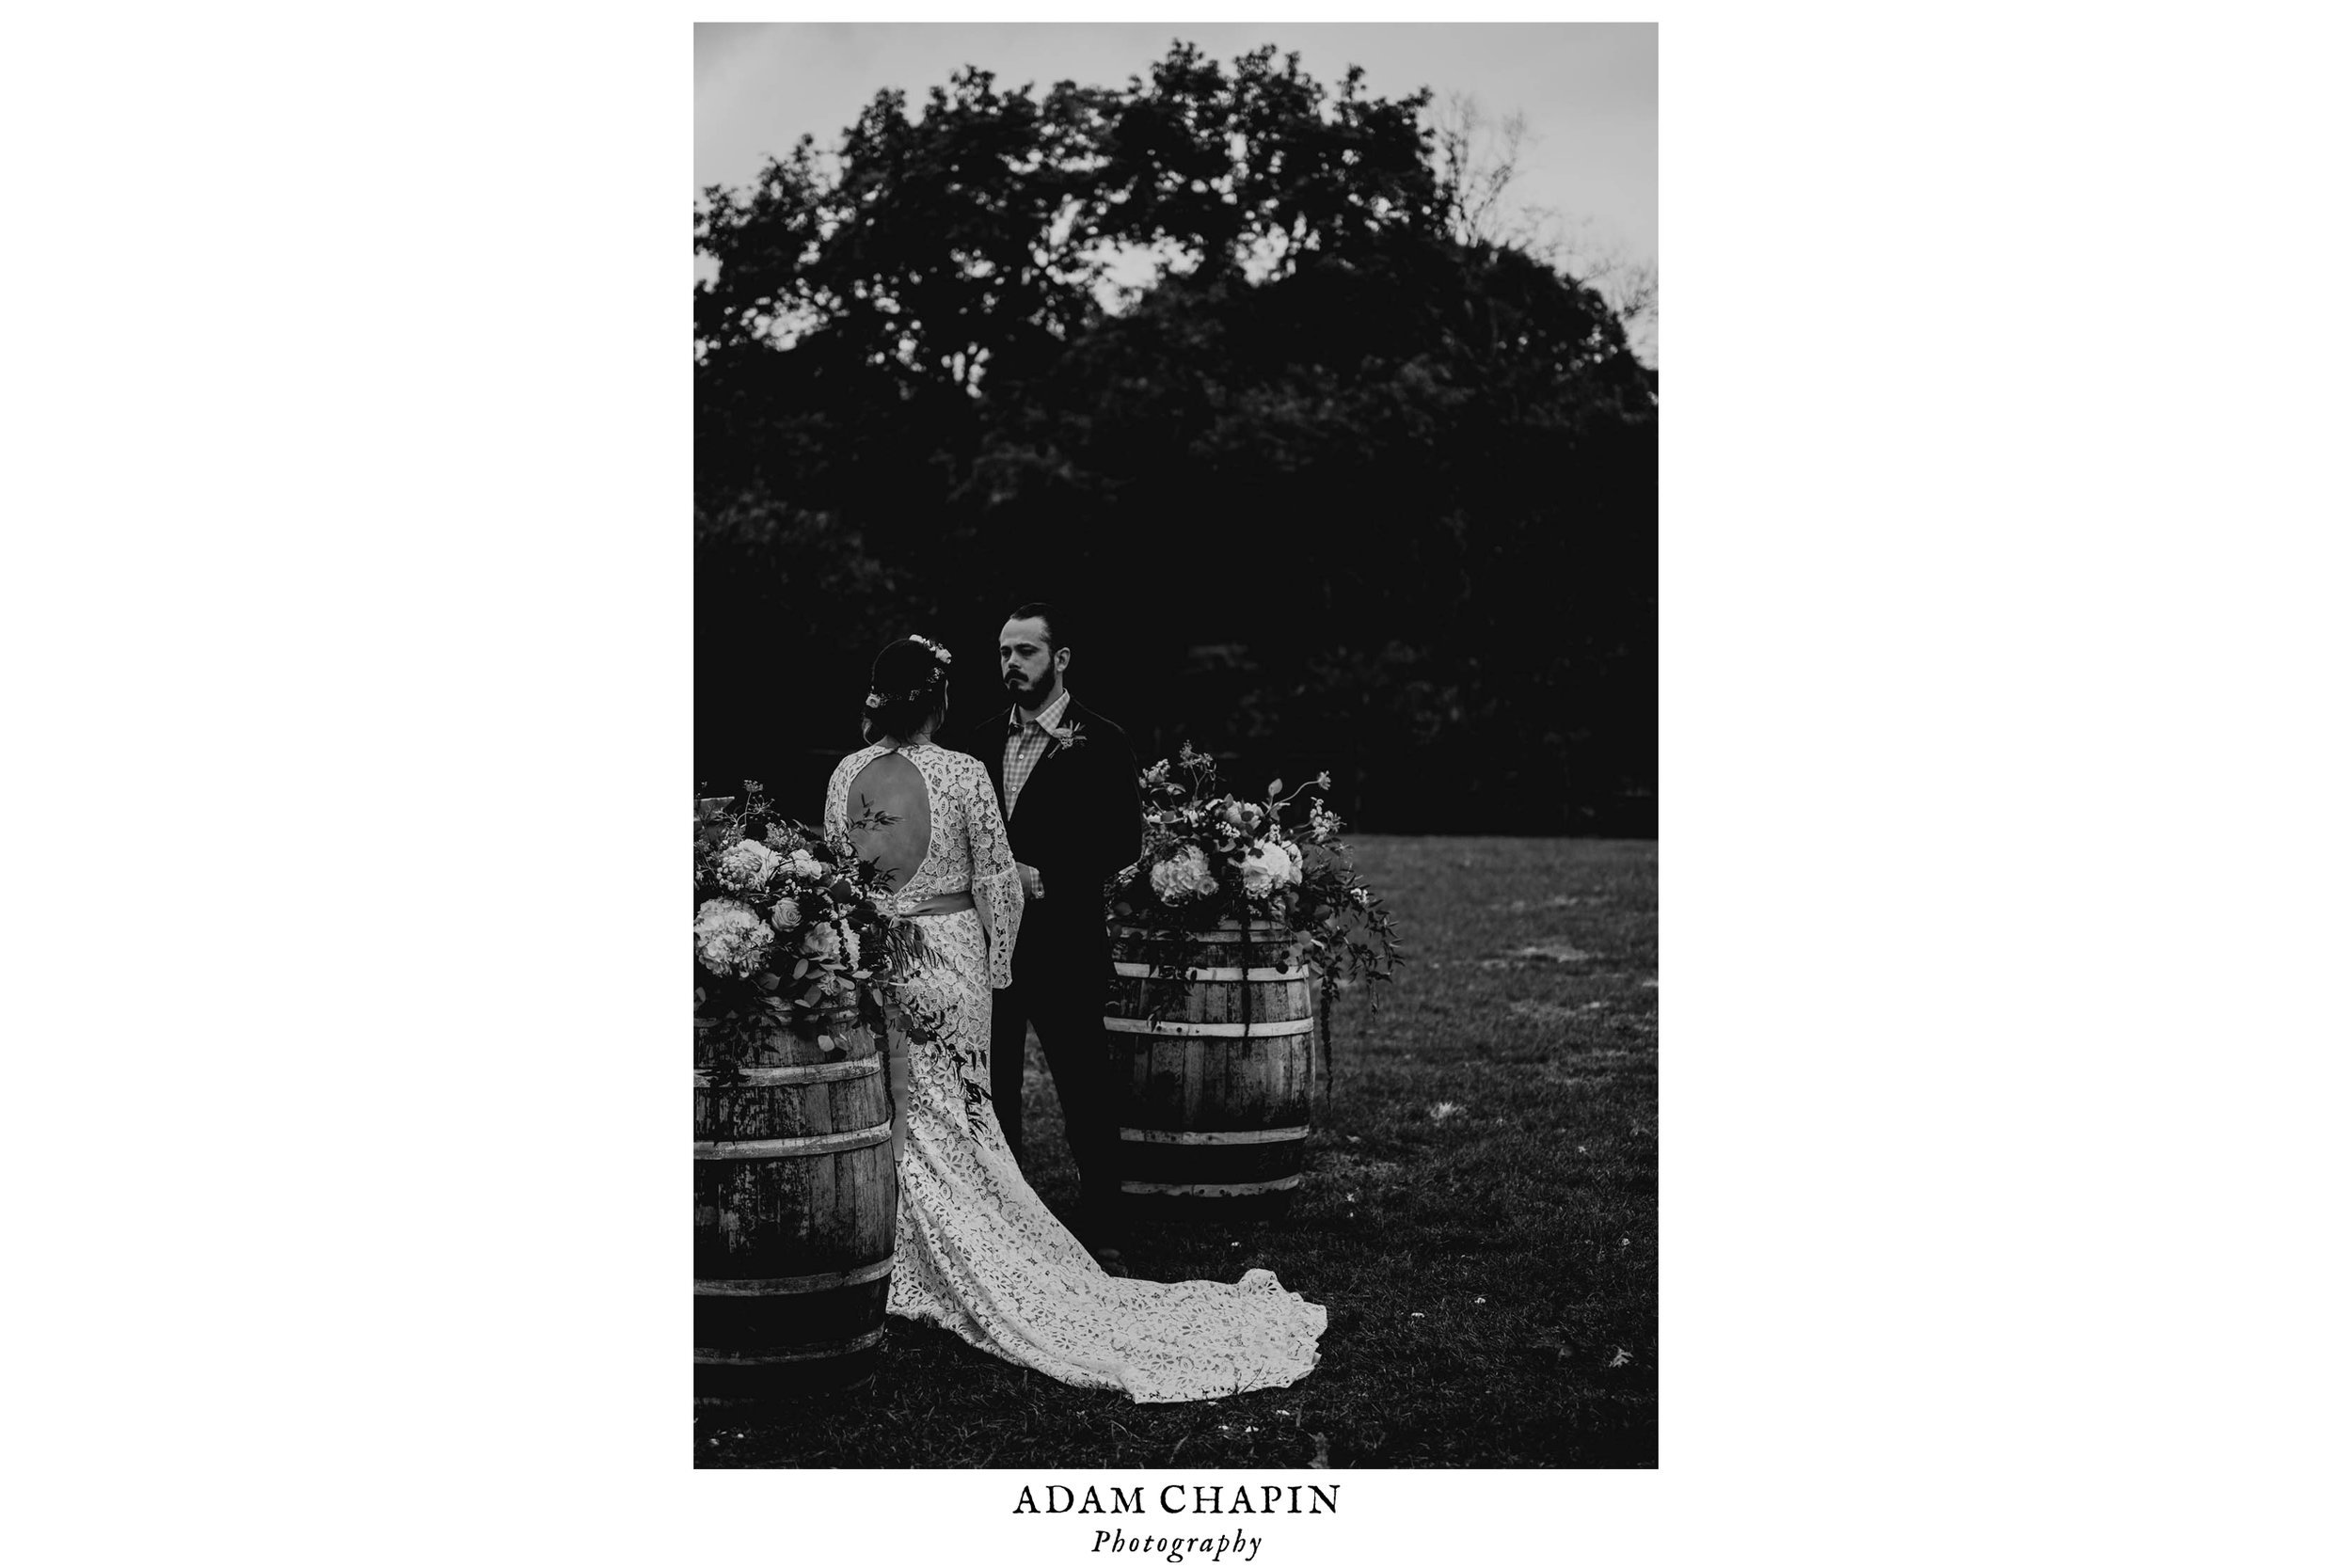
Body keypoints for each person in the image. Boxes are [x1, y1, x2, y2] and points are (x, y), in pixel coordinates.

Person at [825, 634, 1324, 1403]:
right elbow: (999, 882)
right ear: (940, 699)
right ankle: (960, 1251)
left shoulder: (844, 774)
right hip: (952, 961)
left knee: (900, 1111)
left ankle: (896, 1252)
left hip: (881, 962)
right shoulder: (962, 770)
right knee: (958, 1114)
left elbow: (841, 879)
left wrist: (868, 952)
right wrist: (994, 971)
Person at [967, 601, 1142, 1256]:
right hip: (990, 948)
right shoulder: (979, 740)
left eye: (1026, 651)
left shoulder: (1104, 739)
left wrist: (1046, 876)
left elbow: (1124, 839)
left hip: (1064, 943)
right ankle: (1008, 1222)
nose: (1011, 663)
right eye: (1005, 652)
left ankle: (1106, 1223)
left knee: (1085, 1091)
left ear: (1060, 659)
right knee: (995, 1087)